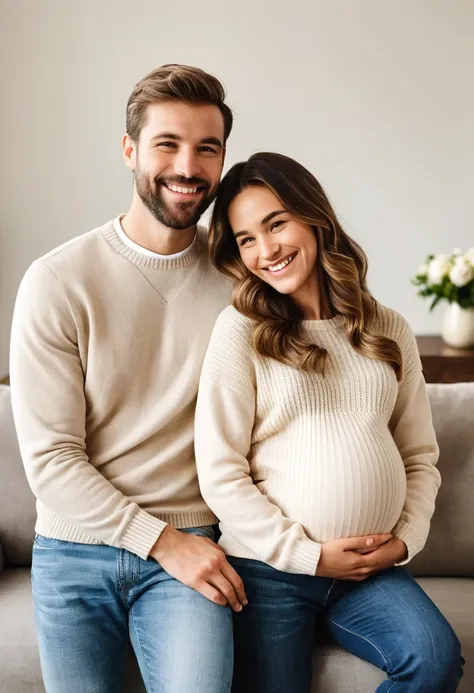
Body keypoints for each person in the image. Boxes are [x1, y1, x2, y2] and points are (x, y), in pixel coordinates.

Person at [9, 64, 248, 693]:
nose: (188, 167)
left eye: (207, 148)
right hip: (74, 548)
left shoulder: (243, 283)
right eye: (167, 144)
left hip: (196, 541)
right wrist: (162, 541)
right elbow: (52, 460)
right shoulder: (57, 280)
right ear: (129, 150)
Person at [195, 151, 464, 693]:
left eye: (276, 224)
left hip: (369, 573)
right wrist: (307, 555)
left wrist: (405, 539)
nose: (266, 251)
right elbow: (220, 473)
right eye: (246, 239)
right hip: (270, 573)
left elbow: (420, 457)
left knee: (434, 658)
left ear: (313, 217)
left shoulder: (387, 327)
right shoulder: (239, 331)